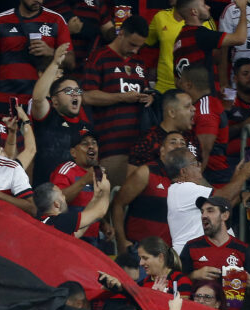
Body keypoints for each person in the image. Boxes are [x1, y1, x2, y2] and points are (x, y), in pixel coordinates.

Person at [80, 15, 150, 186]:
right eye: (132, 44)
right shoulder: (99, 57)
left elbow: (146, 89)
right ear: (121, 33)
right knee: (110, 200)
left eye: (139, 46)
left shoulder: (139, 62)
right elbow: (87, 96)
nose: (135, 50)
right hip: (110, 146)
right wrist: (121, 97)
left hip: (139, 147)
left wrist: (150, 96)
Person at [0, 0, 73, 113]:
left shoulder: (57, 20)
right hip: (5, 99)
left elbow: (71, 62)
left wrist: (51, 52)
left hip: (41, 101)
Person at [165, 148, 250, 253]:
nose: (199, 165)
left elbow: (222, 204)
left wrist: (238, 182)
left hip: (202, 254)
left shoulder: (182, 189)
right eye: (195, 163)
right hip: (193, 256)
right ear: (183, 171)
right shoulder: (183, 188)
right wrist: (243, 175)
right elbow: (223, 197)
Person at [112, 133, 187, 250]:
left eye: (183, 143)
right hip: (141, 251)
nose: (178, 146)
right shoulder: (145, 172)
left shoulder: (188, 179)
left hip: (170, 254)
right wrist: (121, 241)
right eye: (173, 142)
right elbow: (118, 204)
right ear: (162, 151)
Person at [180, 195, 250, 310]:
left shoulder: (242, 249)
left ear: (225, 215)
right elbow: (176, 281)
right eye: (202, 212)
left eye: (210, 211)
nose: (204, 215)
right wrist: (195, 275)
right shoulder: (192, 246)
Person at [30, 46, 91, 185]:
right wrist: (55, 63)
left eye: (77, 91)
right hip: (47, 196)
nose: (75, 94)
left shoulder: (86, 127)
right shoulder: (48, 117)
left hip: (78, 195)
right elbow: (38, 99)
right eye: (68, 91)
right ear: (54, 100)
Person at [172, 0, 247, 92]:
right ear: (194, 11)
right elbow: (240, 38)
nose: (208, 7)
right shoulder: (201, 34)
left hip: (190, 98)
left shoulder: (180, 38)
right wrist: (243, 9)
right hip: (205, 97)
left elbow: (177, 81)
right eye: (204, 5)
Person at [178, 65, 232, 186]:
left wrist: (193, 184)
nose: (178, 87)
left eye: (180, 83)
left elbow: (203, 152)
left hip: (213, 177)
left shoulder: (205, 109)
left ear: (188, 85)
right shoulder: (202, 105)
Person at [128, 90, 195, 170]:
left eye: (192, 105)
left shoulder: (191, 136)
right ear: (172, 113)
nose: (194, 108)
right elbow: (133, 178)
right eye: (187, 106)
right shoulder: (147, 140)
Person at [35, 176, 110, 240]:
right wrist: (106, 190)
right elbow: (101, 211)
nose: (64, 197)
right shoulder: (60, 221)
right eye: (61, 194)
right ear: (56, 204)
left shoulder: (44, 222)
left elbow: (79, 232)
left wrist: (95, 197)